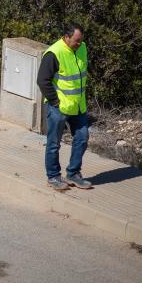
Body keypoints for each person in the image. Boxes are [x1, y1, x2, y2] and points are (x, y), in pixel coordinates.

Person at [37, 22, 93, 191]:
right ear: (66, 37)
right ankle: (53, 176)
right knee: (54, 143)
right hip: (59, 108)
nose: (79, 44)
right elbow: (42, 81)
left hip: (78, 107)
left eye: (81, 40)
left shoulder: (82, 48)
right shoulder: (54, 53)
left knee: (82, 138)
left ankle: (73, 174)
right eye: (76, 41)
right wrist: (55, 102)